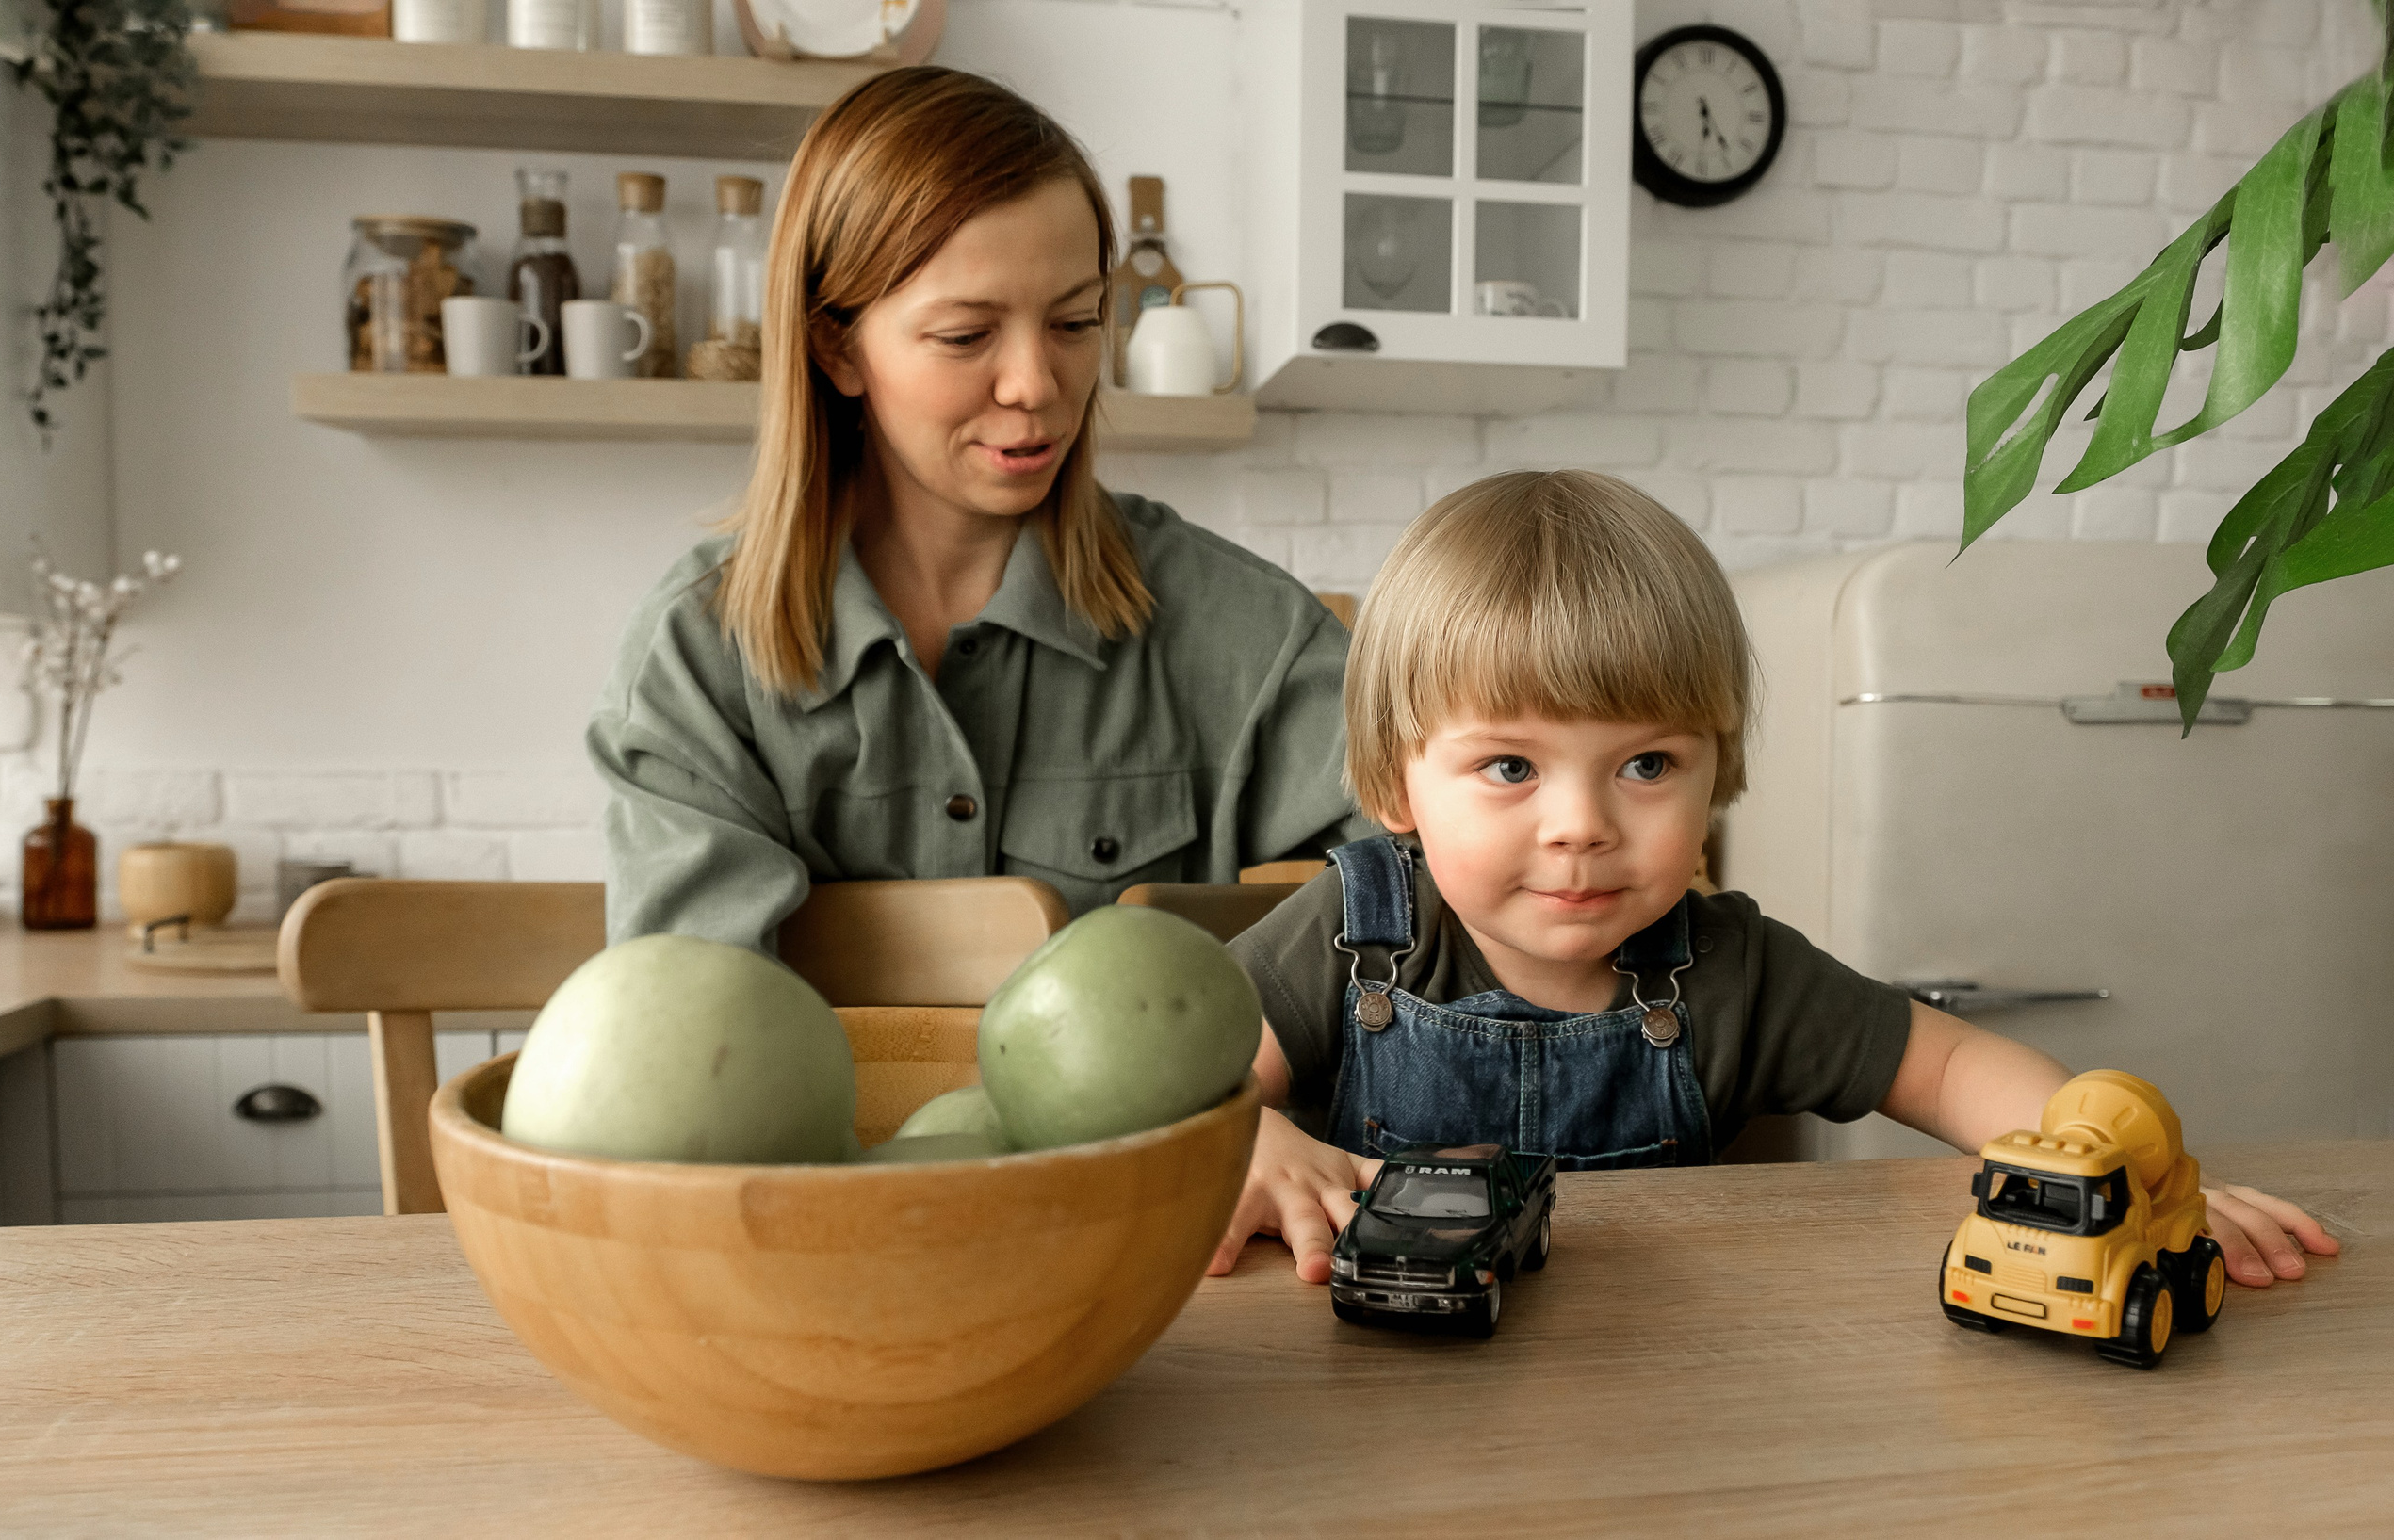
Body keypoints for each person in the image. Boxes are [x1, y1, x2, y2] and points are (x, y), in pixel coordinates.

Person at [1211, 469, 2339, 1291]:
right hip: (1378, 1386)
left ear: (1718, 771)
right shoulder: (1353, 934)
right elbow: (1174, 1089)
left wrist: (2112, 1171)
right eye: (1510, 767)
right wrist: (1236, 1136)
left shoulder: (1731, 968)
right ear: (1395, 782)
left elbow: (1949, 1065)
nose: (1581, 827)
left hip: (1667, 1392)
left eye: (1646, 765)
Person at [589, 69, 1365, 950]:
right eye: (966, 336)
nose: (1036, 383)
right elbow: (694, 1021)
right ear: (836, 347)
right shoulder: (696, 661)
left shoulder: (1248, 633)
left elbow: (1429, 895)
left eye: (1075, 323)